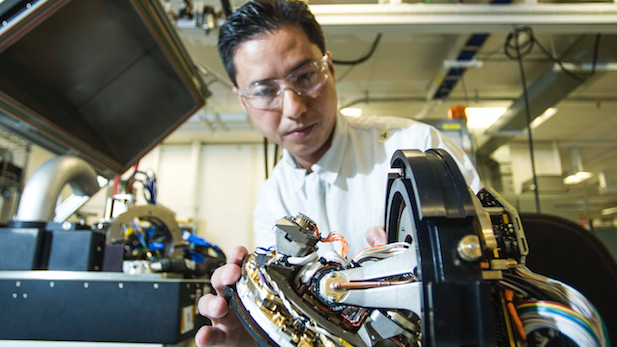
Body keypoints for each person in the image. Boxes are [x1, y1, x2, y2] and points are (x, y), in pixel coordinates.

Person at [195, 0, 480, 345]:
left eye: (305, 76)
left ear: (329, 68)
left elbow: (489, 280)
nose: (294, 107)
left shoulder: (416, 148)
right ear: (243, 101)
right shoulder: (274, 198)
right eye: (266, 91)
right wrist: (256, 337)